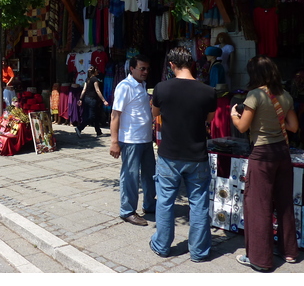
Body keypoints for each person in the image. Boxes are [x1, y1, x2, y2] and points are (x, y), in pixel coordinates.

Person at [231, 55, 299, 271]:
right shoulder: (285, 95)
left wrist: (234, 115)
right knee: (284, 202)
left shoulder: (254, 95)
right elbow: (294, 126)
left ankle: (260, 259)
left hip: (262, 154)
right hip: (282, 152)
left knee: (258, 205)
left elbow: (242, 127)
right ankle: (289, 252)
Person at [149, 46, 217, 262]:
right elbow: (210, 119)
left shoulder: (161, 88)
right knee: (198, 203)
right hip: (197, 155)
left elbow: (155, 113)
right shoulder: (208, 91)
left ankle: (161, 245)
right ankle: (199, 251)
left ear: (171, 65)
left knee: (166, 201)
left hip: (169, 154)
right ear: (191, 63)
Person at [110, 55, 156, 226]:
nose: (145, 72)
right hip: (130, 139)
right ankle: (127, 211)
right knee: (130, 176)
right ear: (132, 69)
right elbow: (115, 115)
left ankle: (150, 204)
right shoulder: (125, 86)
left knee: (150, 175)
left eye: (147, 69)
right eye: (141, 68)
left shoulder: (142, 85)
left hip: (145, 139)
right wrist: (114, 141)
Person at [75, 66, 108, 137]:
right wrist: (103, 100)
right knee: (92, 117)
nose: (98, 71)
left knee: (96, 115)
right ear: (94, 71)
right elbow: (97, 90)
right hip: (92, 100)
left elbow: (84, 90)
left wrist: (81, 99)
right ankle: (79, 128)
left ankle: (98, 132)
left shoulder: (88, 79)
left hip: (86, 99)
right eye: (96, 70)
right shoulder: (95, 79)